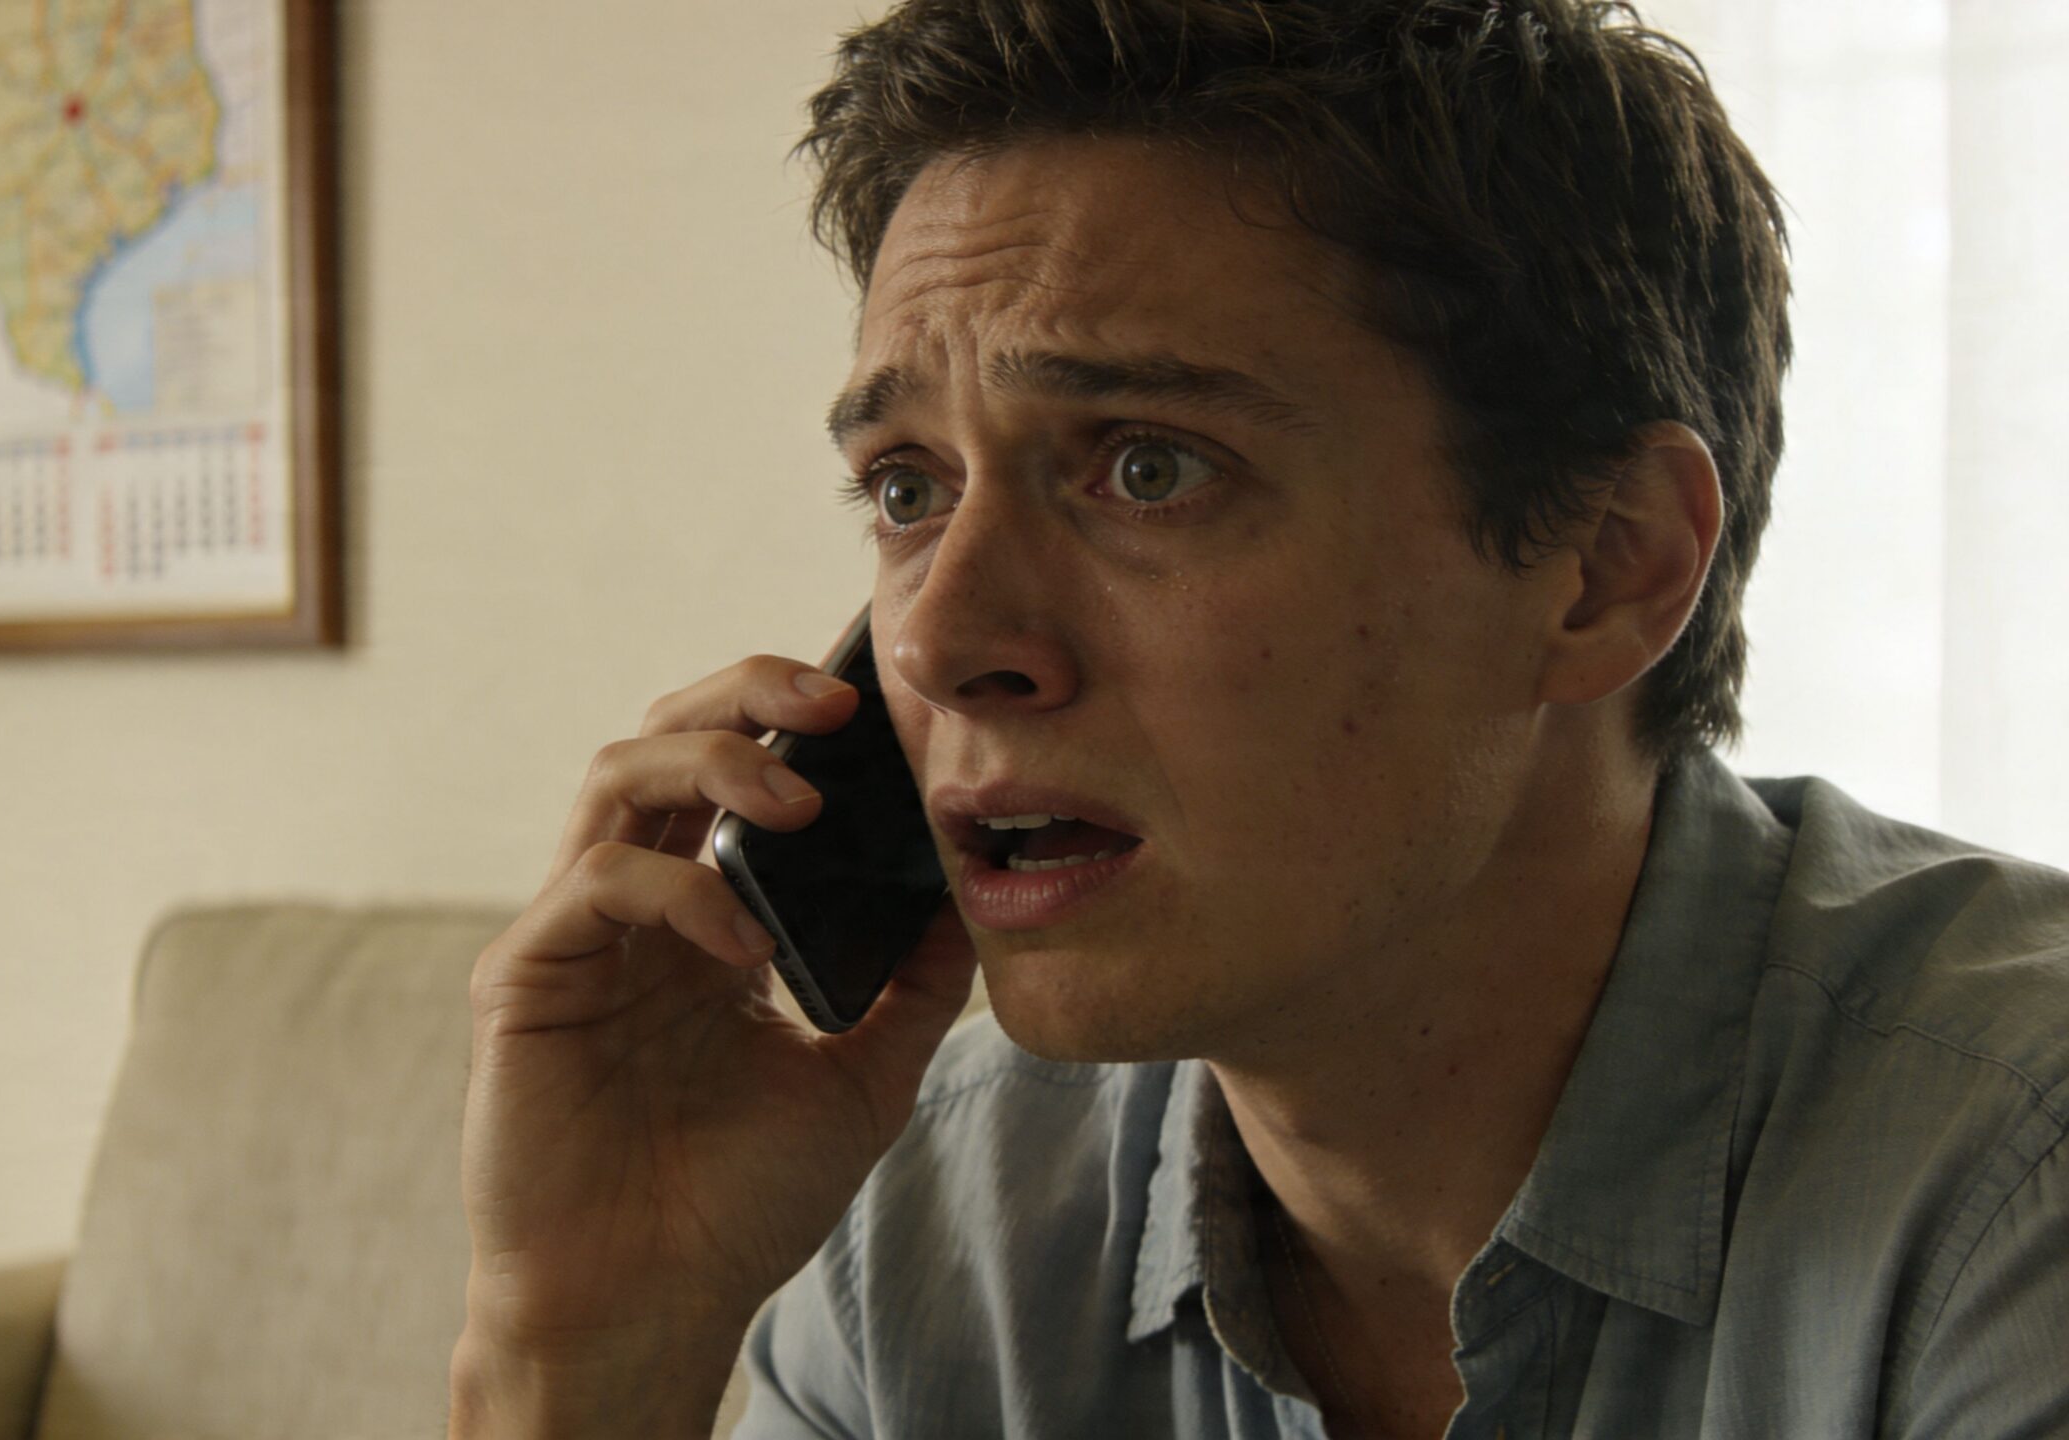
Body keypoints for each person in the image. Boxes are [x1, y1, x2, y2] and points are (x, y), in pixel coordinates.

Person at [447, 1, 2069, 1435]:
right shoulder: (931, 1219)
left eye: (1148, 464)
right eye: (905, 487)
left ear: (1604, 567)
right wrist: (576, 1362)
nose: (934, 635)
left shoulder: (2013, 1186)